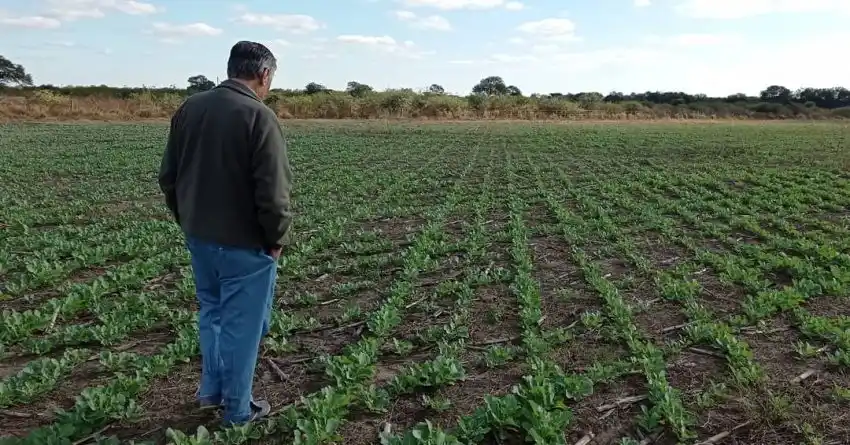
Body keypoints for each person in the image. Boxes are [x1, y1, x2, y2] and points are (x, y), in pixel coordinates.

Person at [157, 40, 293, 425]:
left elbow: (168, 177)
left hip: (200, 237)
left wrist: (188, 221)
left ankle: (211, 390)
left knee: (212, 314)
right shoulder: (258, 116)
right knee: (243, 328)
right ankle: (237, 410)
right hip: (245, 244)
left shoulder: (189, 108)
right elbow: (273, 195)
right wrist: (276, 239)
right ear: (264, 74)